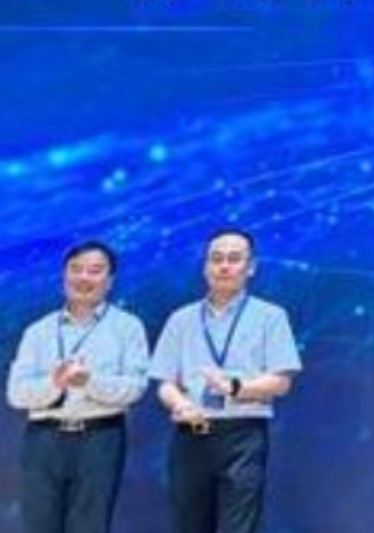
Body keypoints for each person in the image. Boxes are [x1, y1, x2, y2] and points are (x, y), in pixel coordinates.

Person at [149, 227, 301, 533]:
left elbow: (282, 381)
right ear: (205, 267)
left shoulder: (271, 316)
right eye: (216, 259)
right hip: (190, 434)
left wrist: (235, 387)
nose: (224, 266)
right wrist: (180, 404)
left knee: (239, 525)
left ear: (251, 267)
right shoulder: (181, 319)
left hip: (242, 434)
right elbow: (164, 381)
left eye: (234, 259)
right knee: (187, 524)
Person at [6, 241, 149, 533]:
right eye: (76, 269)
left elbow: (135, 388)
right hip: (43, 440)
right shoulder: (38, 331)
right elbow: (16, 394)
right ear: (64, 276)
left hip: (100, 438)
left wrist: (89, 382)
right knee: (38, 524)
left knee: (90, 525)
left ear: (110, 281)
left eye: (95, 271)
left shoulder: (128, 327)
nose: (84, 277)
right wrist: (55, 383)